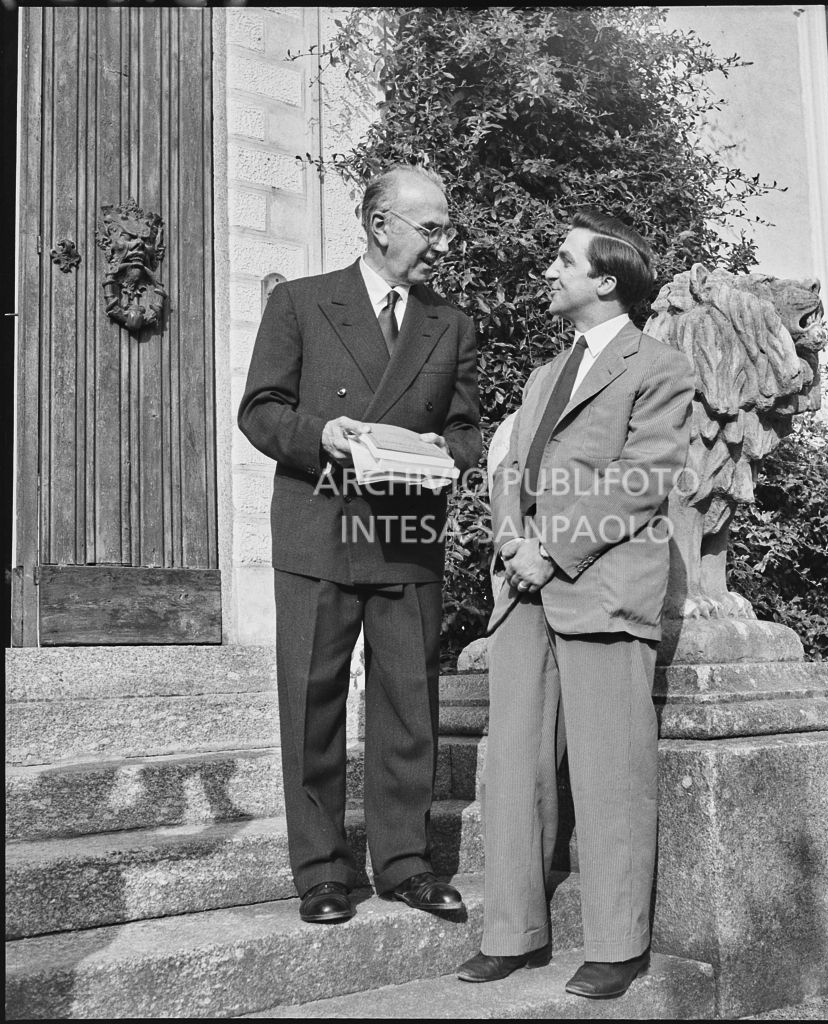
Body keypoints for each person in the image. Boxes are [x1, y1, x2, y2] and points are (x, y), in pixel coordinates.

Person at [456, 210, 695, 998]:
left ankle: (617, 946)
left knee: (610, 773)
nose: (548, 272)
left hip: (600, 589)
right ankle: (514, 933)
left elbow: (642, 477)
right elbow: (507, 469)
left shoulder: (656, 365)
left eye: (562, 261)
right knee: (514, 769)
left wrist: (549, 549)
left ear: (605, 280)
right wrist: (509, 543)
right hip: (523, 594)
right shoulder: (540, 375)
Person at [238, 165, 482, 924]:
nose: (442, 243)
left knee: (409, 704)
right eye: (430, 227)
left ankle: (405, 864)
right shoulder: (301, 302)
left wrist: (446, 454)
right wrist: (323, 434)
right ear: (380, 224)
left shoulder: (453, 322)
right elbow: (261, 410)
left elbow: (467, 429)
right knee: (311, 702)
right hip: (319, 525)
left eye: (443, 227)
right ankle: (321, 871)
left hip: (406, 533)